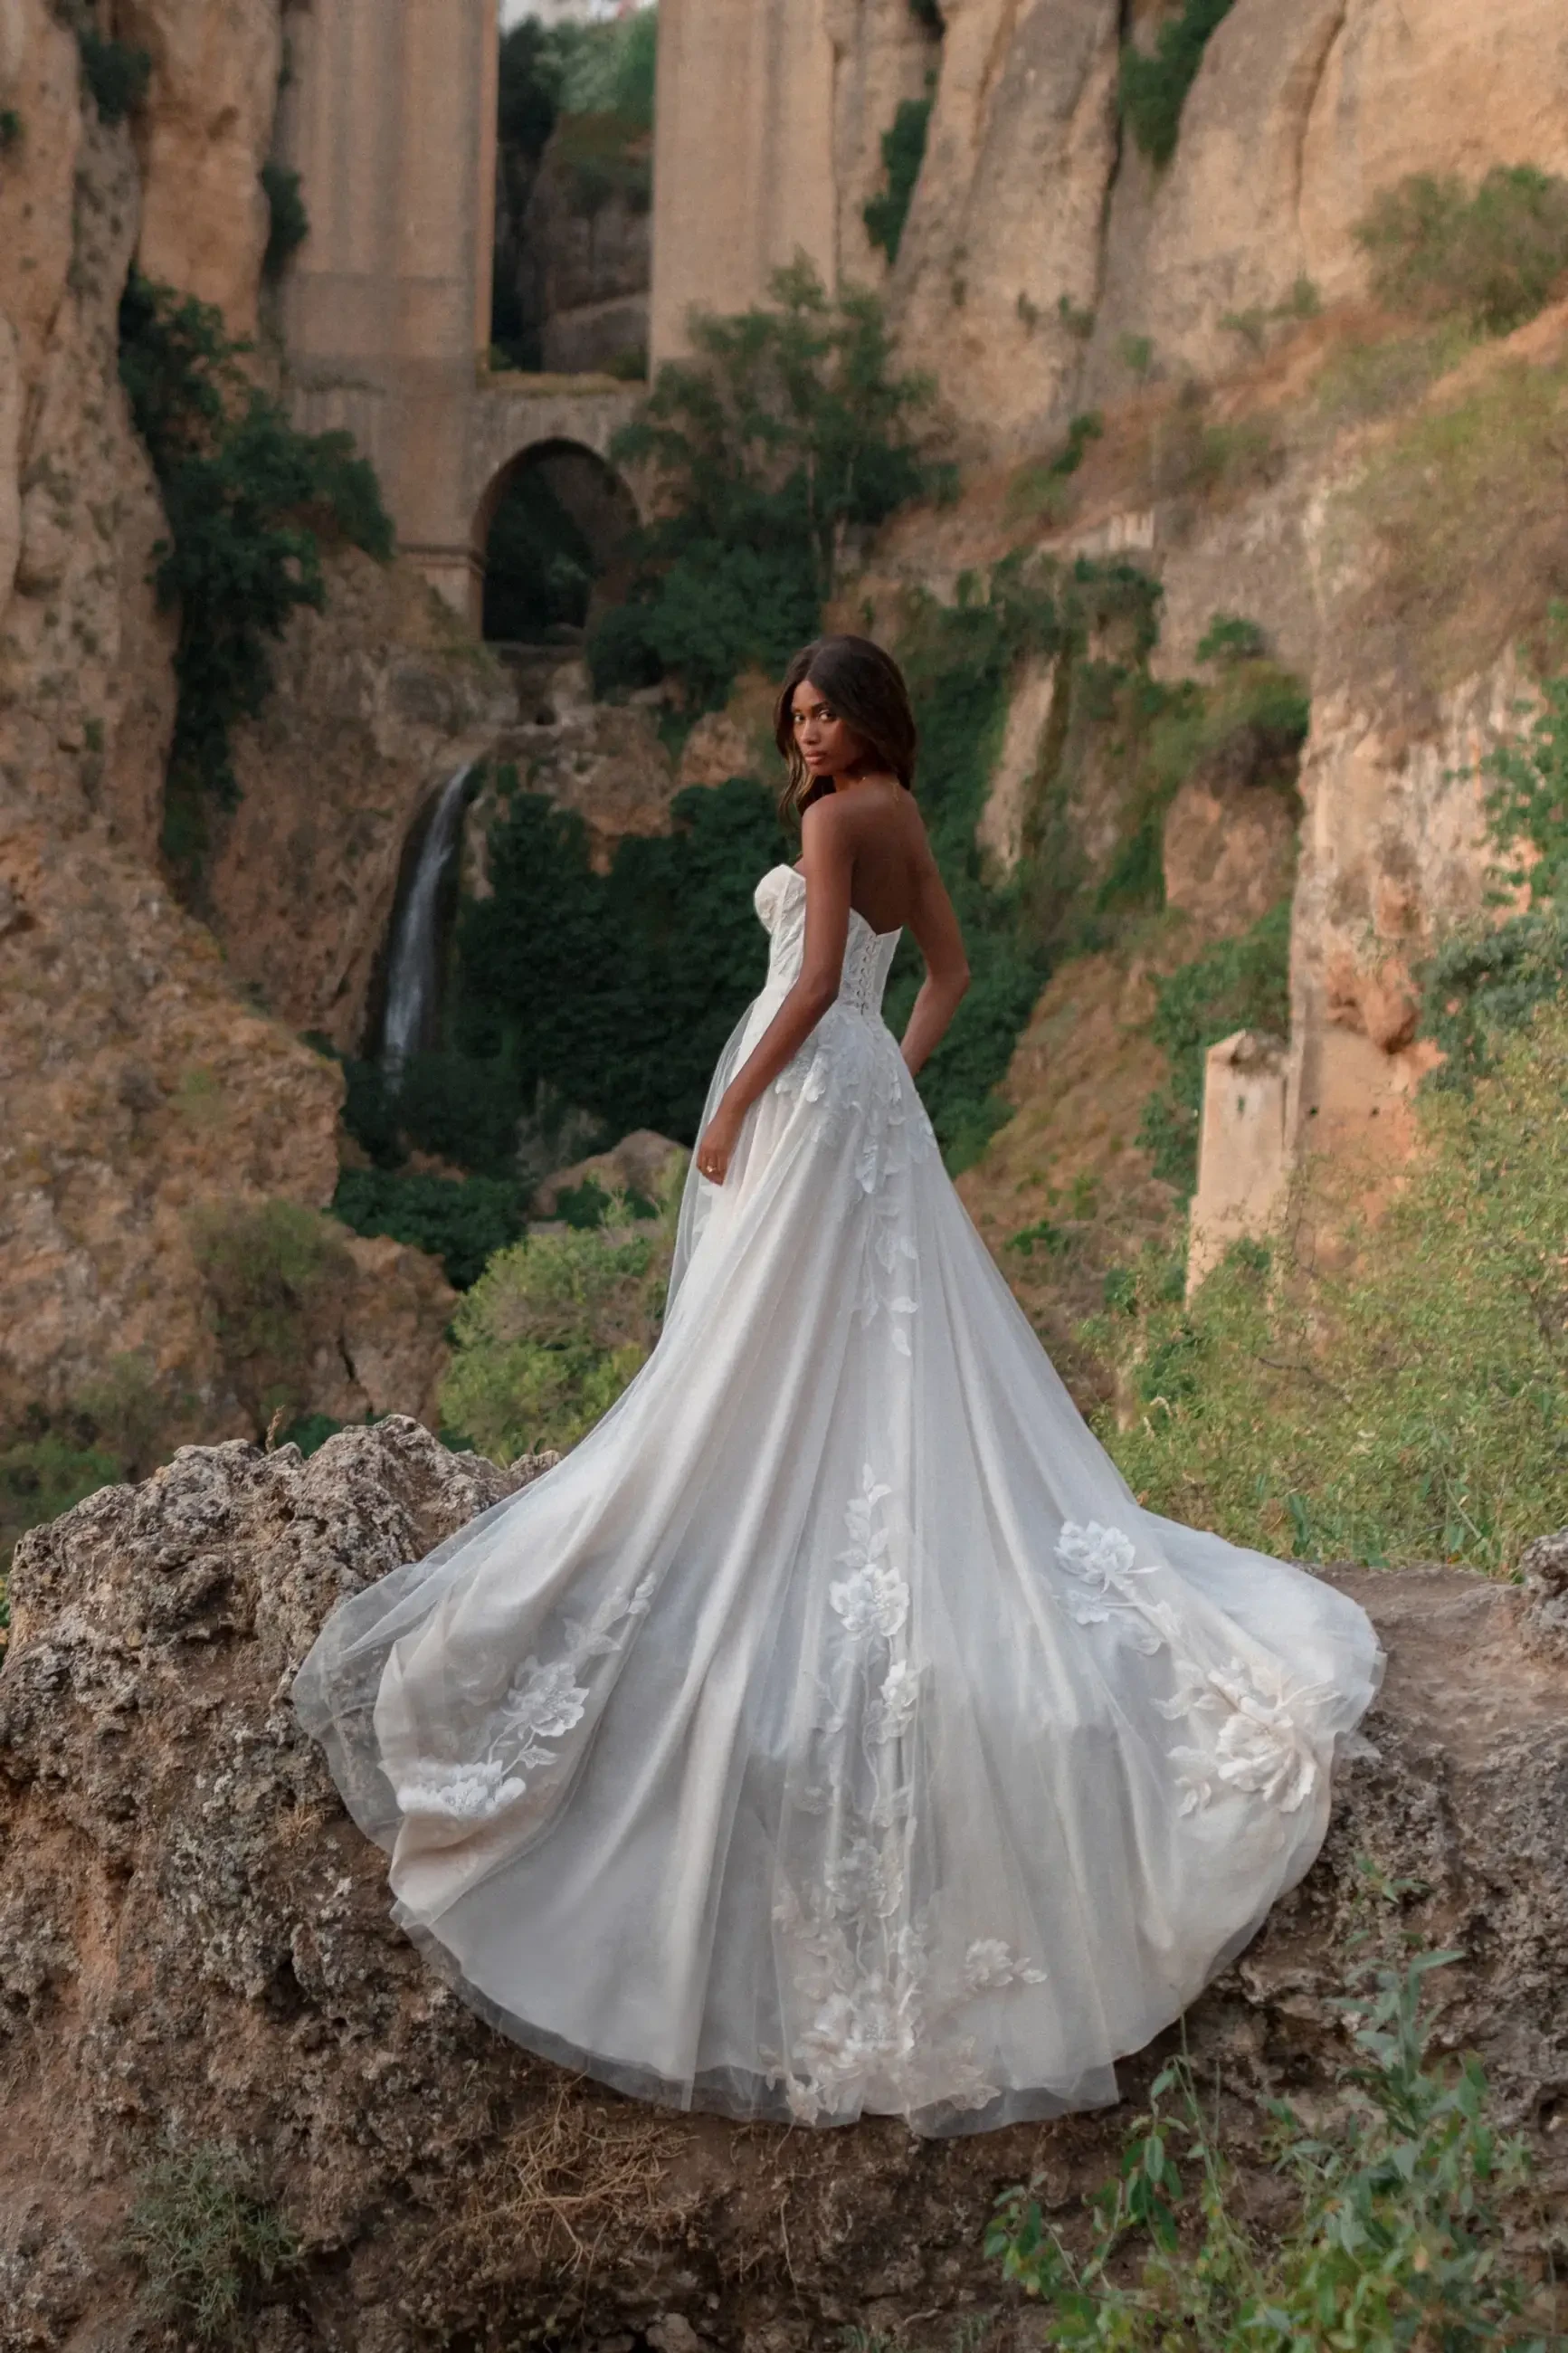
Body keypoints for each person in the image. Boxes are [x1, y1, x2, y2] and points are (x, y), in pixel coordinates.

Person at [294, 634, 1382, 2137]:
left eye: (825, 712)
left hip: (809, 1090)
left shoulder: (830, 822)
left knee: (754, 1338)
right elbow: (948, 974)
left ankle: (739, 1516)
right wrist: (891, 1073)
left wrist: (736, 1103)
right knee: (860, 1338)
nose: (805, 734)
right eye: (795, 715)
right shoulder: (905, 815)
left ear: (868, 716)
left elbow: (811, 982)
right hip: (865, 1094)